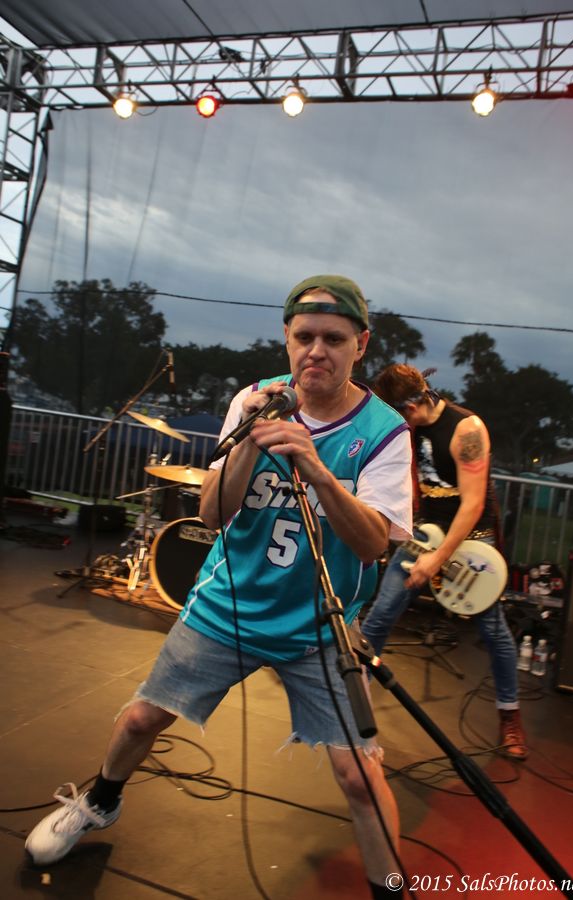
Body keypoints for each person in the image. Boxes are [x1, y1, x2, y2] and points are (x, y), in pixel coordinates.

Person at [25, 276, 414, 899]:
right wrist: (248, 443)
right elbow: (211, 514)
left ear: (360, 344)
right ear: (287, 338)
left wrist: (317, 469)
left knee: (358, 777)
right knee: (139, 720)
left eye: (334, 339)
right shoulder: (254, 400)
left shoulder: (386, 431)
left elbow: (373, 545)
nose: (317, 351)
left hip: (320, 626)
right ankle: (99, 802)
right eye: (304, 337)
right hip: (228, 607)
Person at [361, 363, 528, 761]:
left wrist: (438, 559)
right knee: (379, 618)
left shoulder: (466, 429)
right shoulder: (408, 431)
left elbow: (473, 505)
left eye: (399, 416)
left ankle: (510, 715)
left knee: (494, 631)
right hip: (426, 534)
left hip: (472, 540)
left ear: (412, 405)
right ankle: (354, 699)